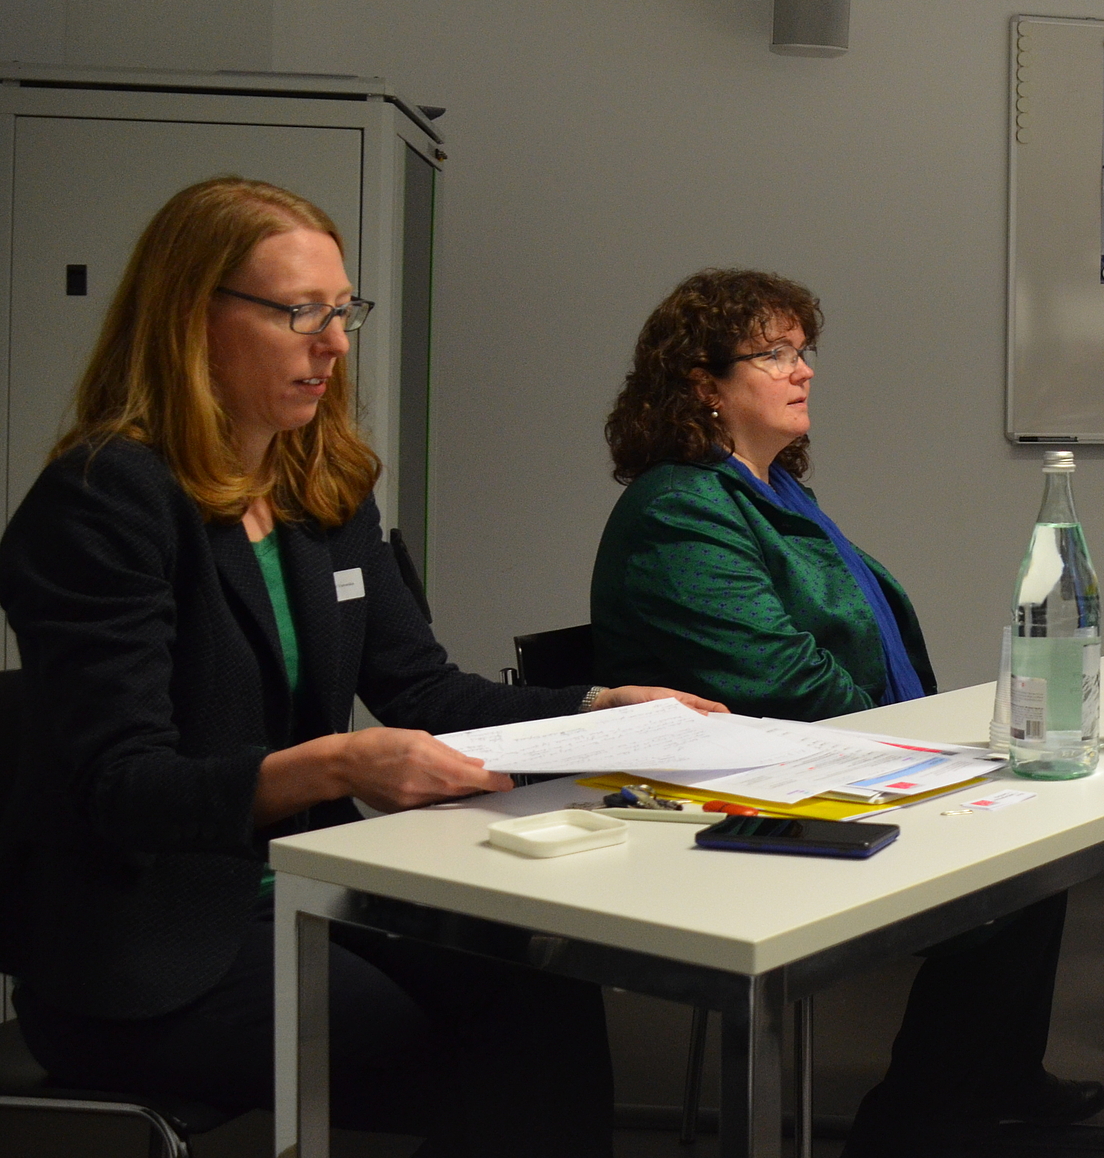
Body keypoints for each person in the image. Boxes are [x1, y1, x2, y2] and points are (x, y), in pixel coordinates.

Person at [0, 176, 722, 1155]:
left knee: (543, 991)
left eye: (344, 312)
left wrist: (602, 707)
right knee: (477, 1053)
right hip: (153, 955)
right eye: (302, 313)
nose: (335, 345)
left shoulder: (321, 485)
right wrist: (338, 763)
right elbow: (121, 790)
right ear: (191, 318)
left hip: (311, 894)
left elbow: (424, 690)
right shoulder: (103, 500)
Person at [590, 269, 1103, 1156]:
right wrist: (919, 753)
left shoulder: (775, 492)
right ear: (705, 384)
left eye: (803, 351)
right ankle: (912, 1125)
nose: (804, 371)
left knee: (1038, 846)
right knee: (1001, 885)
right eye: (774, 354)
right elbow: (781, 680)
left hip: (828, 759)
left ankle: (999, 1078)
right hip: (737, 796)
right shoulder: (678, 509)